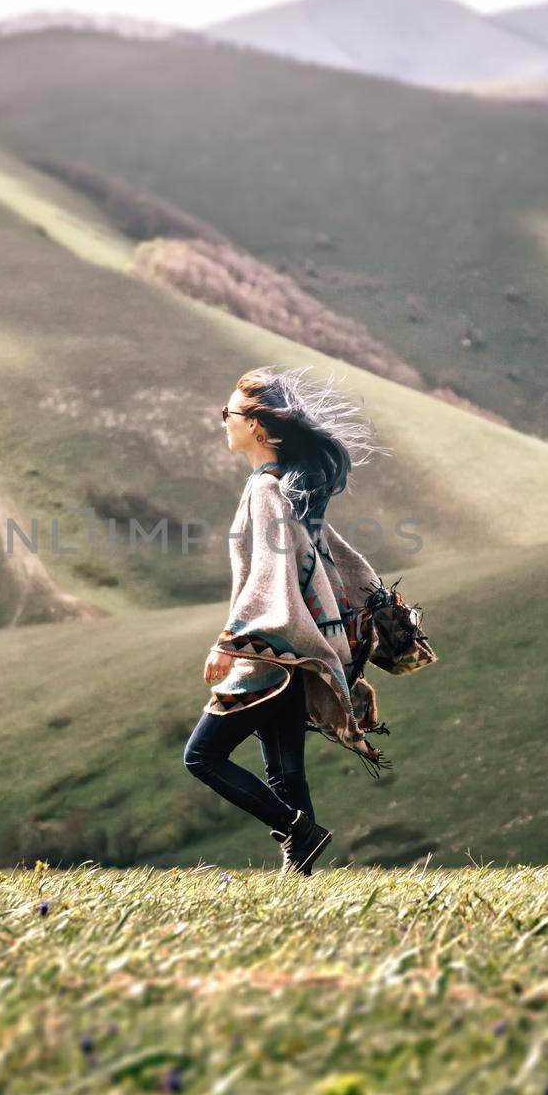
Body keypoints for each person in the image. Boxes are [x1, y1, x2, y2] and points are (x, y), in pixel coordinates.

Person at [183, 365, 393, 875]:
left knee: (202, 757)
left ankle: (299, 831)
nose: (222, 422)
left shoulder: (266, 490)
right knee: (284, 771)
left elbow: (274, 573)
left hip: (270, 653)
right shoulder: (283, 487)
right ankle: (300, 874)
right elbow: (323, 559)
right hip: (293, 653)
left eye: (227, 413)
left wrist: (229, 642)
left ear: (256, 426)